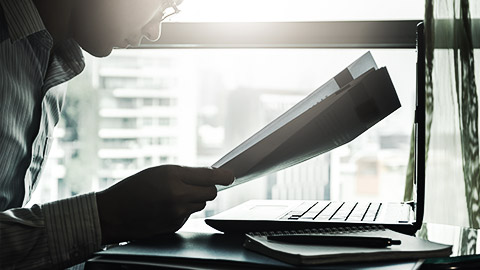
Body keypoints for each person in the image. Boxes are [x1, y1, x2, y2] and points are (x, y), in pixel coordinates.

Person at [0, 0, 234, 269]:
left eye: (170, 11)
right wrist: (107, 217)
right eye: (163, 4)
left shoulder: (56, 60)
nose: (154, 32)